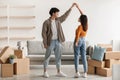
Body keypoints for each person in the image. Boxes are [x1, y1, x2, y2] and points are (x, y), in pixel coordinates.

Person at [42, 3, 76, 78]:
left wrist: (71, 8)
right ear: (53, 13)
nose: (58, 14)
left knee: (58, 57)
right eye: (57, 13)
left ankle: (59, 71)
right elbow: (43, 33)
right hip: (50, 42)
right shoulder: (46, 22)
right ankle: (45, 72)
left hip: (58, 41)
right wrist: (45, 43)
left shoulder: (58, 20)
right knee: (47, 57)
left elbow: (65, 16)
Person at [74, 3, 88, 78]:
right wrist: (78, 8)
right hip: (84, 41)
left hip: (79, 40)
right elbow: (83, 16)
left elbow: (77, 35)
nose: (78, 18)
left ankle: (77, 72)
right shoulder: (86, 25)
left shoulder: (80, 26)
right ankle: (85, 73)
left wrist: (76, 42)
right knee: (83, 57)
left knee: (76, 56)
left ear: (81, 20)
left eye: (79, 17)